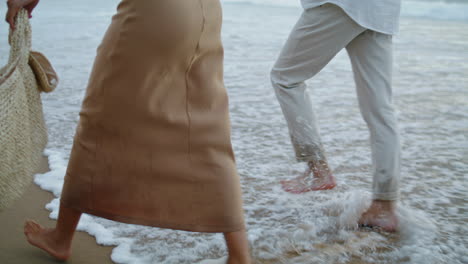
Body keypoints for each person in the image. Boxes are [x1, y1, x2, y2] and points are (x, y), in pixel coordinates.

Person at [6, 0, 251, 263]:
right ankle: (239, 255)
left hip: (154, 14)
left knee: (100, 118)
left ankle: (61, 237)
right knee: (204, 131)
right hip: (204, 15)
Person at [270, 0, 402, 232]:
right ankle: (384, 206)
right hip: (381, 10)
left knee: (285, 79)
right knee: (380, 110)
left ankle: (318, 169)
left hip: (341, 5)